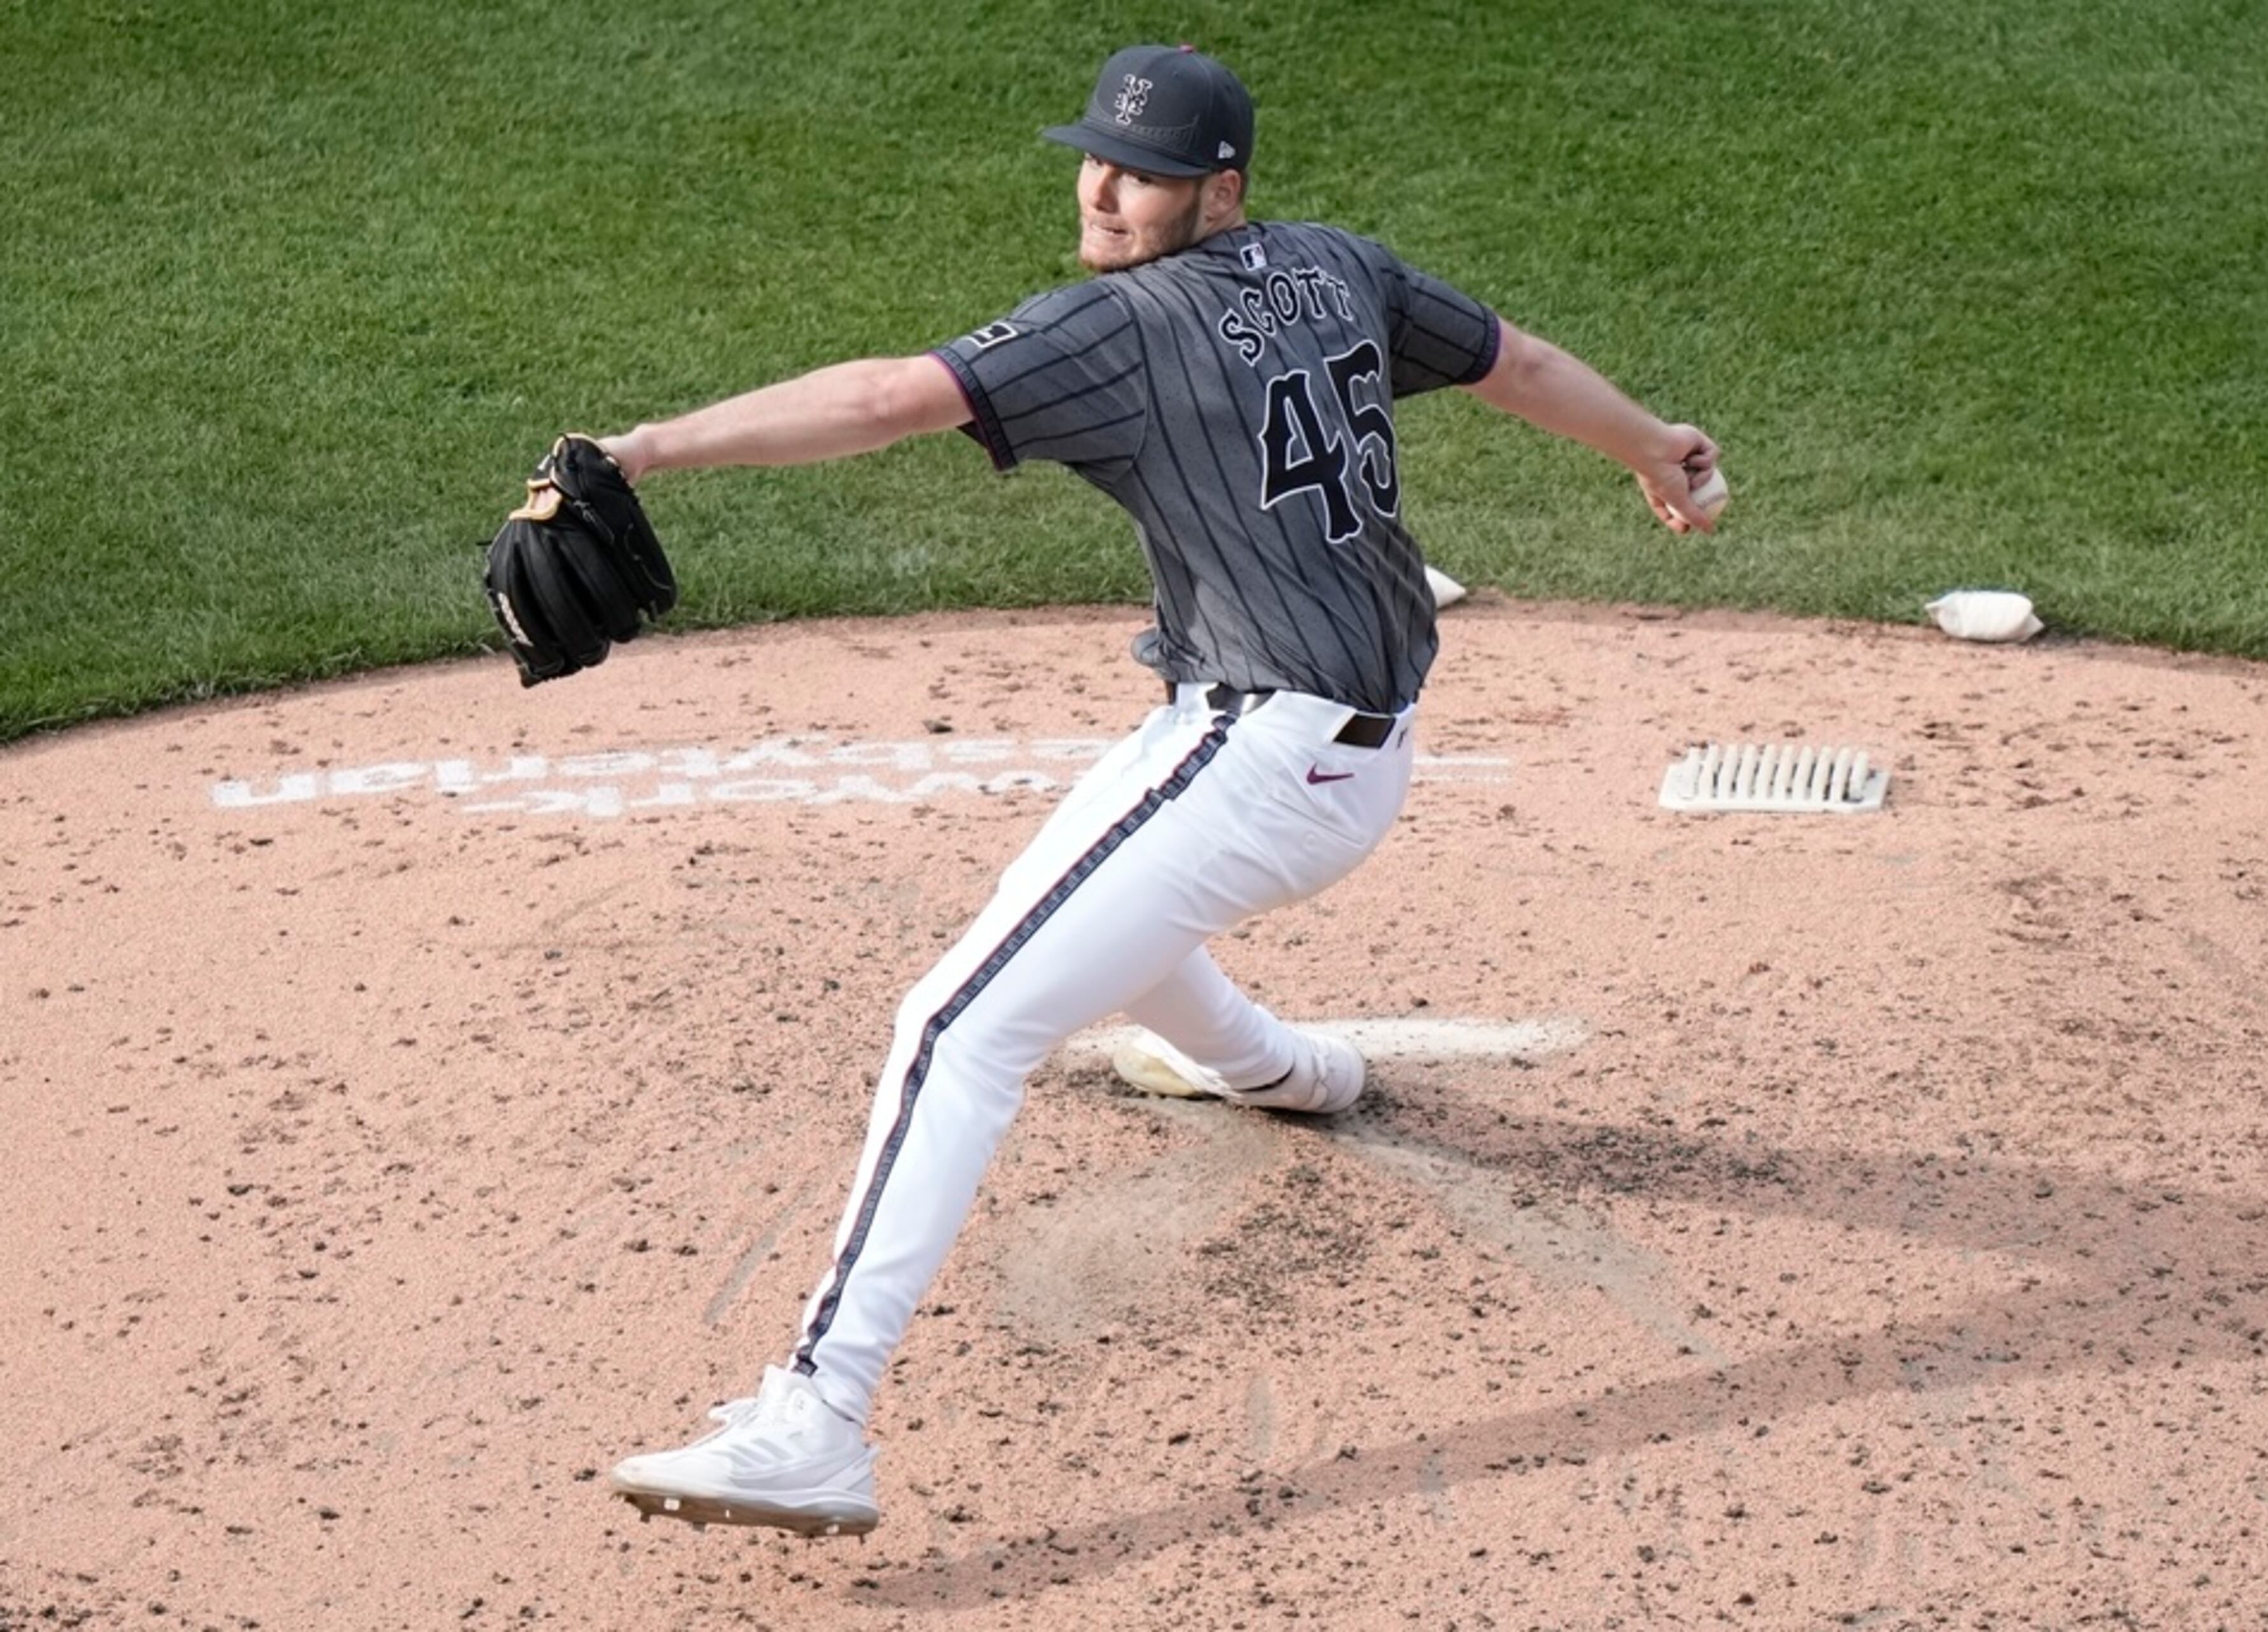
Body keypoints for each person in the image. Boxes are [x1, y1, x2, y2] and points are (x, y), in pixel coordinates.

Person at [600, 42, 1719, 1538]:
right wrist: (1656, 446)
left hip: (1267, 758)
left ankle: (818, 1417)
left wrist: (642, 451)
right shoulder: (1335, 268)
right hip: (1312, 744)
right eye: (1095, 158)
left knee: (955, 1021)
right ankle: (1275, 1070)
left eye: (1143, 173)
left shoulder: (1116, 329)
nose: (1105, 189)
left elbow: (885, 399)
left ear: (1223, 191)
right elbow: (1514, 362)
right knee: (1076, 894)